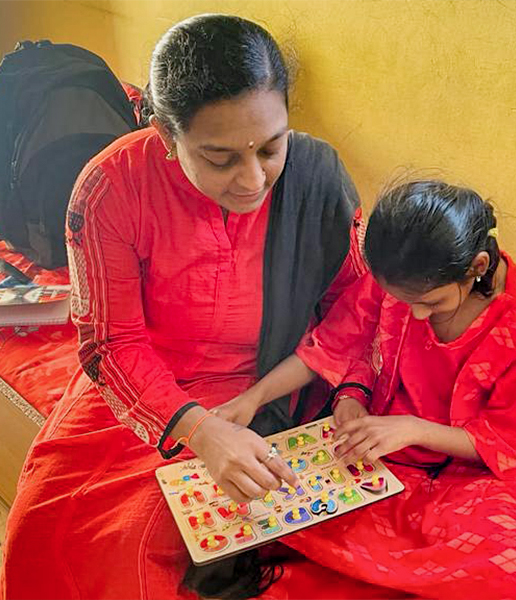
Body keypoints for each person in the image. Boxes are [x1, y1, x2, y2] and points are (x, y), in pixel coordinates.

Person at [1, 14, 369, 599]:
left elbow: (354, 302)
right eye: (220, 158)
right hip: (144, 385)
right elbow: (110, 344)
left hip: (269, 379)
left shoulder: (317, 174)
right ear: (166, 137)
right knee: (51, 541)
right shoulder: (109, 187)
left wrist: (346, 394)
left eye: (271, 147)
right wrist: (198, 432)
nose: (253, 180)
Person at [214, 178, 516, 598]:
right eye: (402, 299)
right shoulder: (397, 277)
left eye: (432, 303)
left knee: (507, 568)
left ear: (478, 266)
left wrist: (414, 429)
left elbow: (510, 441)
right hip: (381, 450)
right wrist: (298, 397)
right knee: (270, 504)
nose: (415, 314)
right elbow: (335, 346)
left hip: (465, 470)